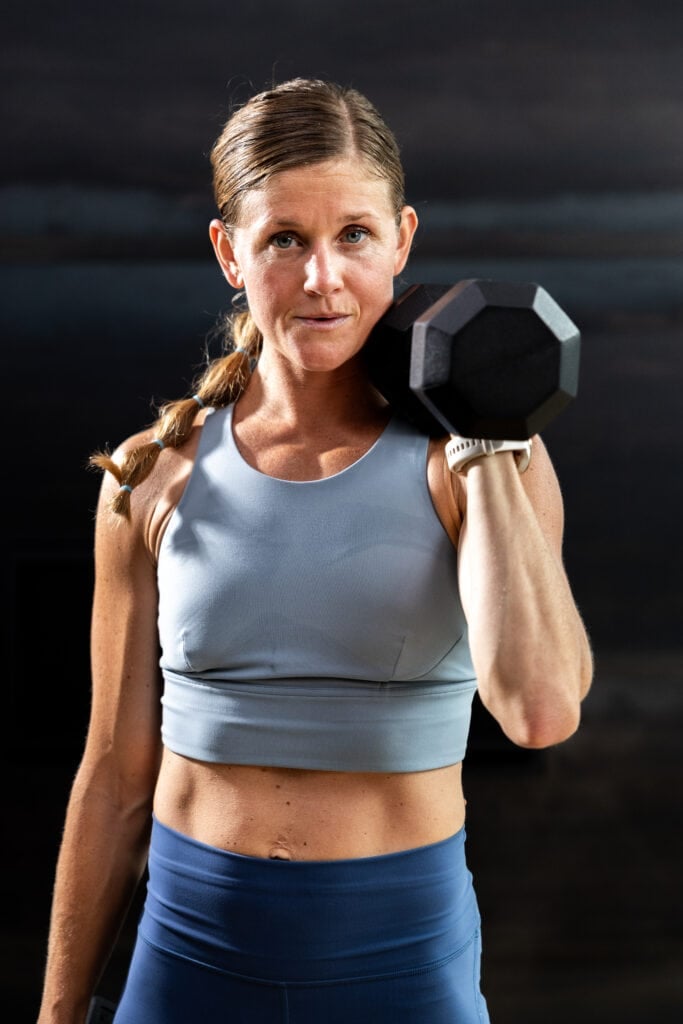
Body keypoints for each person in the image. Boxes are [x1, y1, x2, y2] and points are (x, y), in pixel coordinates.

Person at [37, 77, 593, 1024]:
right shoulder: (150, 475)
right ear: (229, 253)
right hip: (186, 962)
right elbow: (113, 776)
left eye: (354, 236)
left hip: (399, 965)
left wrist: (486, 438)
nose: (322, 278)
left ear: (403, 240)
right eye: (284, 239)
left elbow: (539, 711)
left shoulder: (478, 462)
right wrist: (56, 1011)